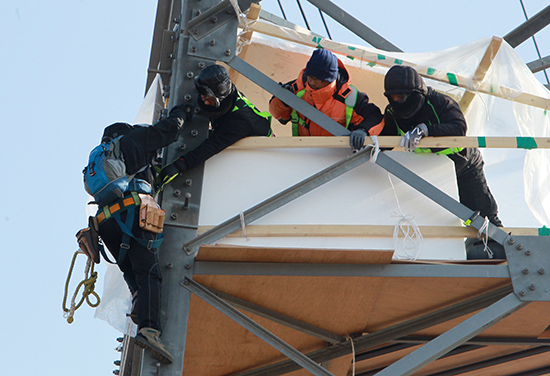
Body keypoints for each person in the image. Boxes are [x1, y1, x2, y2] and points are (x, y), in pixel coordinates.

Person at [90, 105, 189, 364]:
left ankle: (138, 304)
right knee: (149, 271)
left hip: (107, 223)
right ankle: (150, 330)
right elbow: (169, 131)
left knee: (133, 272)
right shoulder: (131, 141)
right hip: (133, 214)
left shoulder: (100, 160)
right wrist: (181, 112)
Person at [380, 65, 503, 230]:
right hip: (436, 170)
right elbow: (386, 139)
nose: (396, 101)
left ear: (413, 94)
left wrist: (427, 130)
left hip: (465, 164)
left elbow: (459, 128)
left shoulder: (439, 102)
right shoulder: (393, 113)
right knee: (459, 215)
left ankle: (496, 243)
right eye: (392, 97)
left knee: (482, 210)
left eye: (399, 96)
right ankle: (471, 245)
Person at [157, 64, 272, 184]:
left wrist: (180, 165)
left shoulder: (239, 121)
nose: (205, 102)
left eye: (209, 99)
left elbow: (211, 146)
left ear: (220, 99)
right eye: (203, 97)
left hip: (262, 161)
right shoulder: (229, 95)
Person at [268, 48, 383, 150]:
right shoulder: (296, 88)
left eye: (317, 79)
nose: (311, 82)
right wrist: (282, 100)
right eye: (310, 76)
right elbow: (279, 115)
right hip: (302, 154)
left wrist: (363, 130)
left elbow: (375, 117)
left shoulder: (351, 98)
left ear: (330, 79)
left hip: (336, 159)